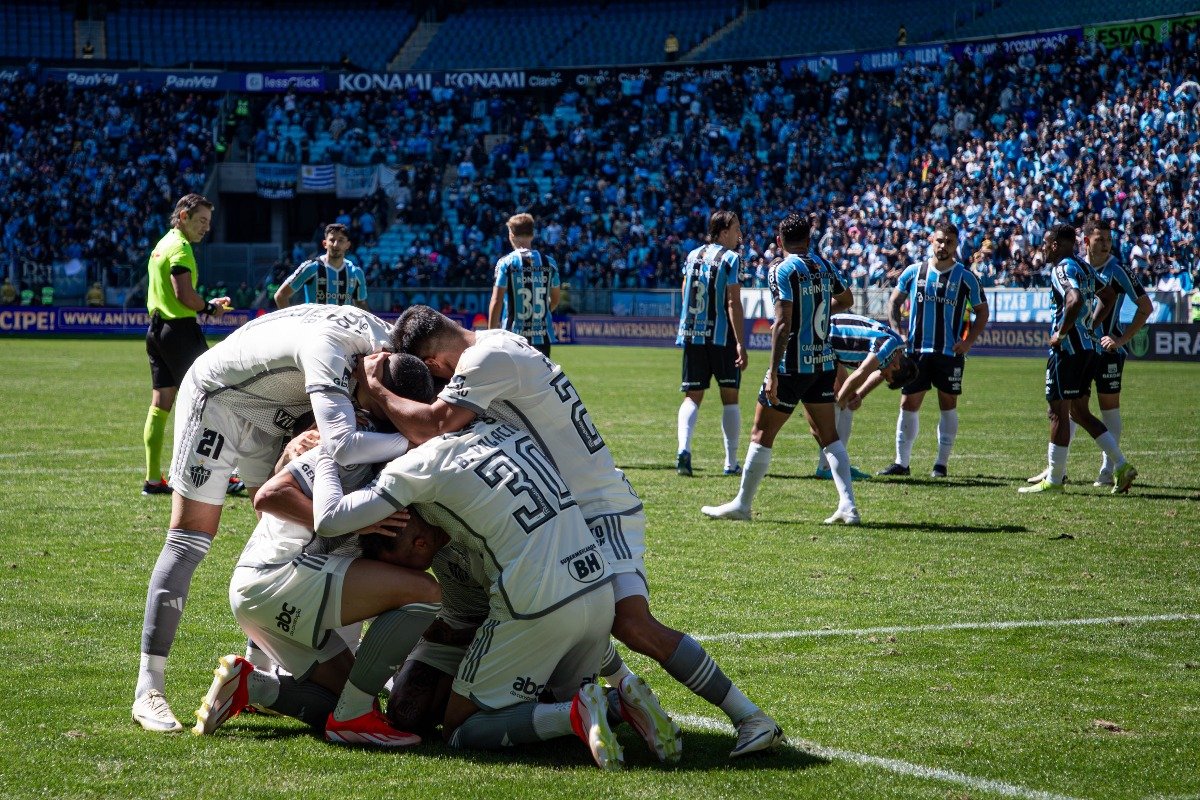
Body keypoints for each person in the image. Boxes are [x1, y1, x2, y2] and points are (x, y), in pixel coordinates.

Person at [360, 306, 783, 758]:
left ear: (433, 365)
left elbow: (437, 425)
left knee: (629, 621)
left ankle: (749, 717)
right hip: (570, 509)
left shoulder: (485, 360)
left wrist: (378, 390)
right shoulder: (496, 343)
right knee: (583, 619)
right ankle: (621, 697)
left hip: (597, 509)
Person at [303, 366, 679, 770]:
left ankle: (574, 711)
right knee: (408, 712)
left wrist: (329, 448)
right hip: (588, 590)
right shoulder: (494, 429)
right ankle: (614, 700)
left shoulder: (414, 470)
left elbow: (327, 517)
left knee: (461, 730)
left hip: (527, 607)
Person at [131, 304, 411, 733]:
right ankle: (148, 688)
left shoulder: (381, 347)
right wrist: (409, 438)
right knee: (191, 541)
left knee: (289, 529)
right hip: (221, 399)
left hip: (277, 408)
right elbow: (345, 445)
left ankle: (259, 664)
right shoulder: (334, 350)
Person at [192, 366, 443, 746]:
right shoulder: (359, 444)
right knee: (424, 592)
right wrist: (351, 522)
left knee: (341, 701)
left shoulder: (378, 442)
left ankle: (253, 686)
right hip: (275, 578)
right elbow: (269, 495)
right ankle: (355, 717)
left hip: (269, 591)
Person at [702, 214, 857, 525]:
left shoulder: (782, 270)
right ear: (809, 238)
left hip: (792, 366)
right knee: (828, 435)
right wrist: (818, 309)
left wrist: (772, 370)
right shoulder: (825, 267)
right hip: (822, 362)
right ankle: (848, 506)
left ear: (780, 239)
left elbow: (783, 323)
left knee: (762, 432)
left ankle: (743, 505)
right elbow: (847, 299)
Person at [1029, 221, 1152, 488]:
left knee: (1058, 412)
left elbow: (1073, 300)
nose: (1043, 250)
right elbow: (1107, 296)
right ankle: (1120, 465)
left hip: (1069, 350)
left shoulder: (1062, 268)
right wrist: (1090, 326)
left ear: (1054, 245)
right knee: (1080, 413)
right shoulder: (1084, 266)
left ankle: (1054, 479)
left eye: (1045, 245)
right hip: (1089, 349)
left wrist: (1061, 334)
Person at [879, 221, 989, 479]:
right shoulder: (914, 272)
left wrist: (969, 341)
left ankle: (941, 464)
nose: (943, 246)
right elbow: (894, 302)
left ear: (956, 244)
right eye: (940, 240)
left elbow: (982, 311)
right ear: (932, 240)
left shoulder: (965, 277)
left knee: (948, 404)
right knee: (908, 403)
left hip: (949, 353)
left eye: (949, 242)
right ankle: (901, 463)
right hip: (916, 352)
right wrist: (897, 333)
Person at [141, 193, 231, 496]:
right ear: (183, 217)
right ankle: (217, 476)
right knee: (213, 399)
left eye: (208, 222)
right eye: (201, 221)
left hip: (156, 331)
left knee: (161, 404)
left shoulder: (161, 245)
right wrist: (208, 308)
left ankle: (153, 479)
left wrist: (204, 304)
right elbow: (184, 295)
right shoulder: (180, 248)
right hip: (179, 332)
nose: (206, 227)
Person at [675, 210, 749, 477]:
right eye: (736, 229)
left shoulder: (692, 255)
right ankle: (730, 463)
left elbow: (685, 290)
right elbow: (732, 302)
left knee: (692, 397)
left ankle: (683, 449)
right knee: (730, 397)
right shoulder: (731, 259)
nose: (740, 234)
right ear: (723, 232)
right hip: (721, 337)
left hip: (693, 334)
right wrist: (741, 342)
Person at [814, 314, 918, 479]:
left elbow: (869, 371)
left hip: (832, 351)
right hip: (821, 339)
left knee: (845, 405)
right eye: (888, 375)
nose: (883, 374)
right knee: (833, 405)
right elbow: (863, 372)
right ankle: (829, 467)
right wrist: (841, 397)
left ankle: (836, 465)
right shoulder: (889, 346)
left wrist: (854, 395)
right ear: (896, 365)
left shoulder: (895, 350)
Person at [488, 213, 560, 356]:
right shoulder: (549, 263)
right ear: (532, 235)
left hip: (513, 337)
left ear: (511, 235)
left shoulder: (506, 263)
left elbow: (496, 301)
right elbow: (555, 300)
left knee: (512, 378)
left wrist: (491, 334)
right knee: (540, 379)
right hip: (542, 337)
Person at [274, 224, 368, 309]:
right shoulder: (311, 267)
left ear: (348, 245)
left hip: (341, 327)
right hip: (316, 327)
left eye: (340, 240)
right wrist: (292, 325)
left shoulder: (356, 272)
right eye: (332, 240)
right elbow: (281, 296)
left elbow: (360, 304)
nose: (336, 244)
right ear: (325, 244)